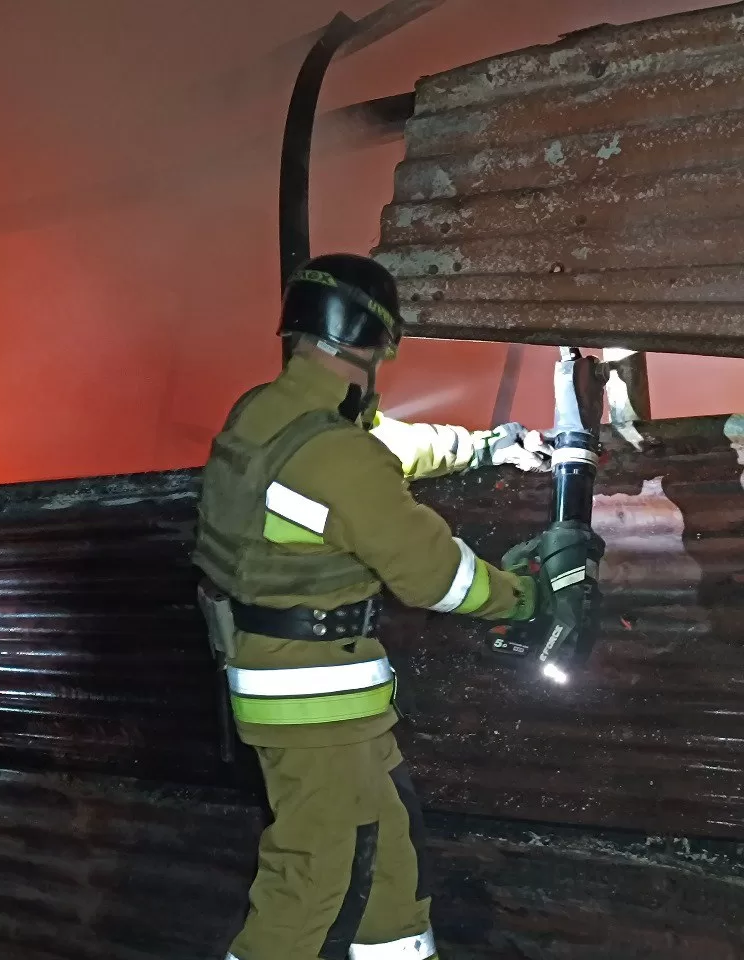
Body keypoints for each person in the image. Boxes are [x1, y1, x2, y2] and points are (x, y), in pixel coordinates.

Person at [193, 254, 550, 960]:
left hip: (295, 692)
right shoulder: (335, 456)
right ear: (375, 342)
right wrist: (527, 597)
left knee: (387, 859)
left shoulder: (270, 416)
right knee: (312, 880)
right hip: (317, 706)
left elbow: (379, 447)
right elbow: (437, 577)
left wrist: (481, 448)